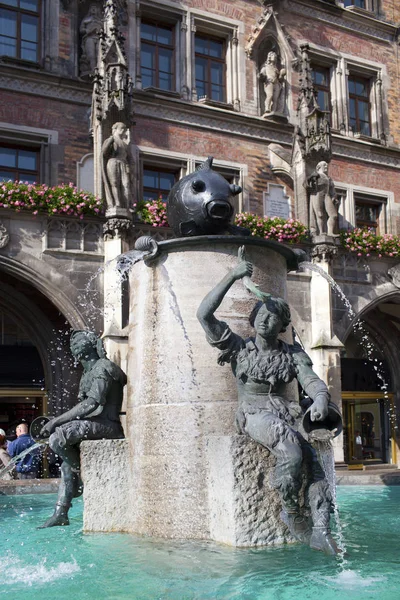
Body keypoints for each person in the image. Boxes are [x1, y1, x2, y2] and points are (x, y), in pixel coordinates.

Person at [197, 249, 339, 554]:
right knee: (290, 447)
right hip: (254, 413)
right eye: (261, 315)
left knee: (315, 467)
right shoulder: (239, 349)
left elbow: (311, 380)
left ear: (282, 325)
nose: (265, 320)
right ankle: (291, 511)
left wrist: (320, 398)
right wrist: (232, 276)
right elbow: (204, 315)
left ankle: (323, 528)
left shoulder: (292, 354)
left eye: (273, 317)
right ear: (253, 319)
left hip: (286, 412)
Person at [38, 330, 127, 528]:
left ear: (79, 354)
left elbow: (92, 404)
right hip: (96, 424)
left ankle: (80, 473)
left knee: (57, 438)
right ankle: (61, 512)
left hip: (108, 426)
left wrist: (56, 422)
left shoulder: (103, 367)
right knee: (65, 464)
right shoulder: (89, 372)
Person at [101, 122, 134, 210]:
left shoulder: (125, 144)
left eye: (124, 129)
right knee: (114, 183)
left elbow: (130, 158)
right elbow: (104, 152)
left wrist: (130, 169)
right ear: (115, 129)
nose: (123, 130)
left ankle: (126, 205)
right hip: (113, 162)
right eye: (121, 128)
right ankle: (117, 203)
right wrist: (110, 141)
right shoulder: (111, 139)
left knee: (126, 185)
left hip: (123, 164)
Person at [307, 161, 339, 237]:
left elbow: (332, 189)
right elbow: (306, 184)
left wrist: (334, 197)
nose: (326, 167)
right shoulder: (316, 175)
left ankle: (330, 232)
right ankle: (321, 232)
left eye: (327, 165)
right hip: (317, 194)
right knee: (319, 214)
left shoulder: (328, 178)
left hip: (327, 195)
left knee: (333, 215)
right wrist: (311, 178)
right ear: (318, 167)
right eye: (324, 165)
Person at [79, 3, 102, 76]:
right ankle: (92, 71)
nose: (94, 10)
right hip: (89, 37)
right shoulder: (86, 20)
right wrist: (88, 31)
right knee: (91, 55)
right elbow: (81, 30)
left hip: (98, 38)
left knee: (99, 55)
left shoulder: (100, 21)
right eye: (92, 8)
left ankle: (100, 72)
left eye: (95, 8)